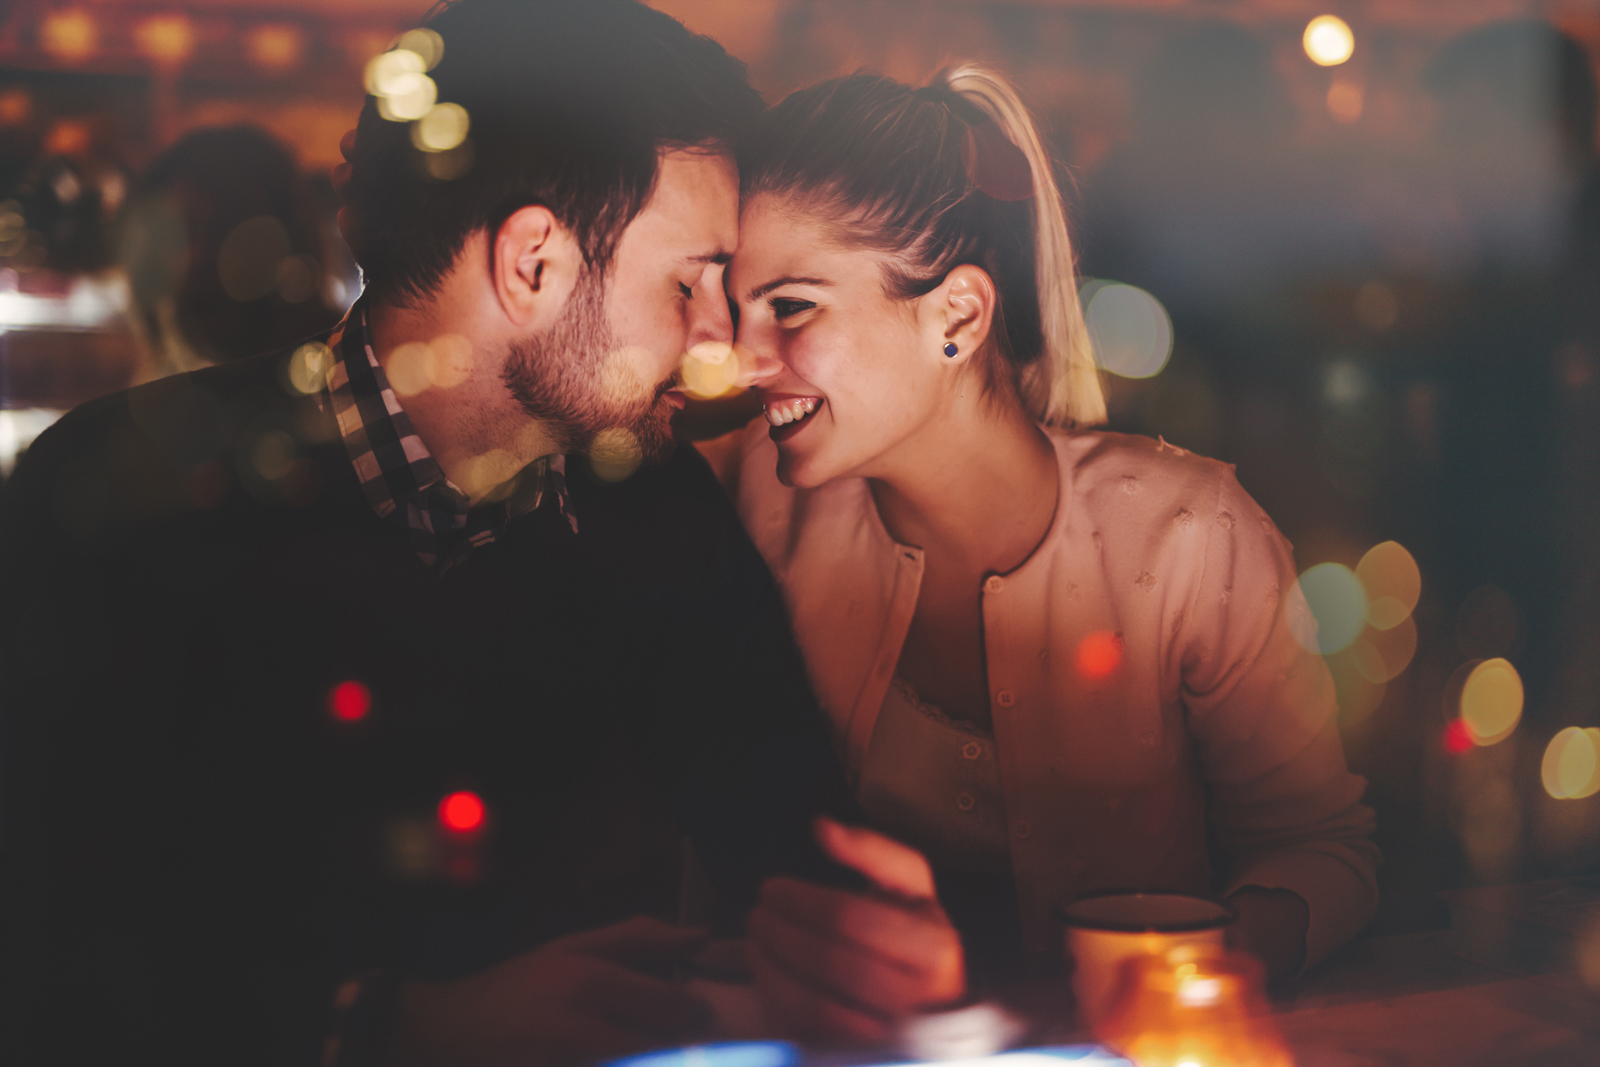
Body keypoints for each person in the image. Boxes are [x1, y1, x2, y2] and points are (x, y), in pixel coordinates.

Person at [0, 4, 864, 1066]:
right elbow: (45, 949)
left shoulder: (654, 507)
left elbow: (782, 819)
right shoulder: (120, 501)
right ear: (533, 264)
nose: (719, 337)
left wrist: (857, 937)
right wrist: (389, 1026)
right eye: (690, 281)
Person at [706, 67, 1381, 1041]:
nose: (744, 355)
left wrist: (1191, 979)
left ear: (958, 317)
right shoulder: (749, 502)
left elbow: (1321, 847)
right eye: (736, 309)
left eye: (793, 307)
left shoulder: (1190, 535)